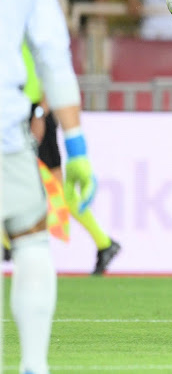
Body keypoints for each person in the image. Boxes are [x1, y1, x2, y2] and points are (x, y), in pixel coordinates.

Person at [2, 0, 97, 371]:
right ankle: (33, 367)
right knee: (30, 239)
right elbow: (55, 66)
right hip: (4, 136)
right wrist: (76, 147)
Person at [23, 45, 121, 275]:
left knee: (55, 187)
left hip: (35, 114)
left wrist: (40, 113)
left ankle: (104, 243)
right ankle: (104, 243)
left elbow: (52, 72)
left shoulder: (27, 27)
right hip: (17, 112)